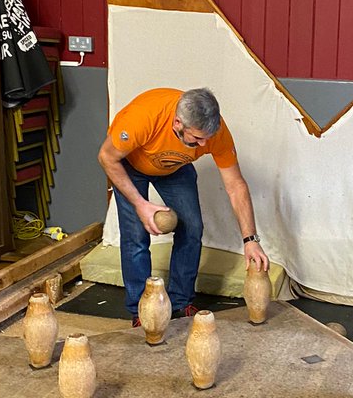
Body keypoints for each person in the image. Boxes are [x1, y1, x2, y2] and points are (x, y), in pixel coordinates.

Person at [98, 87, 269, 324]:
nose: (204, 144)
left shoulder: (214, 132)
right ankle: (141, 311)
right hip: (129, 166)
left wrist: (250, 240)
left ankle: (181, 301)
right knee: (135, 236)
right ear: (178, 123)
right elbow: (107, 157)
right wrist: (140, 203)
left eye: (208, 138)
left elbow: (236, 186)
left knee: (192, 228)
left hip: (174, 167)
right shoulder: (143, 117)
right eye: (198, 139)